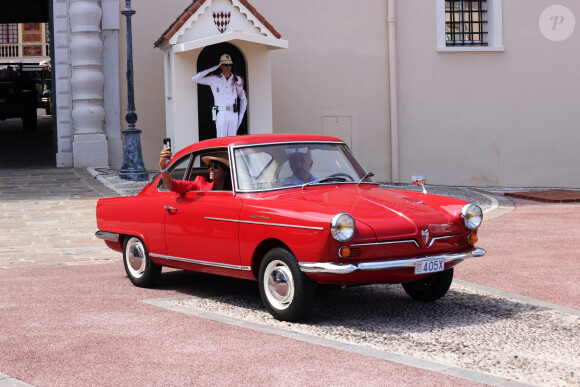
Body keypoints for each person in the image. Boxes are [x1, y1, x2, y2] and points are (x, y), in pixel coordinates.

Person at [192, 54, 247, 138]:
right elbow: (195, 78)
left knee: (232, 141)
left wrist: (240, 118)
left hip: (233, 113)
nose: (228, 67)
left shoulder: (237, 80)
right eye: (226, 65)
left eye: (230, 65)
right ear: (221, 66)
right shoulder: (214, 79)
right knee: (221, 140)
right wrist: (214, 68)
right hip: (221, 113)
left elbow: (243, 98)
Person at [159, 148, 230, 193]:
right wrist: (163, 167)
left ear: (225, 171)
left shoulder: (233, 191)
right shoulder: (200, 184)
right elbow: (171, 185)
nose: (211, 168)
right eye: (210, 165)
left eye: (216, 166)